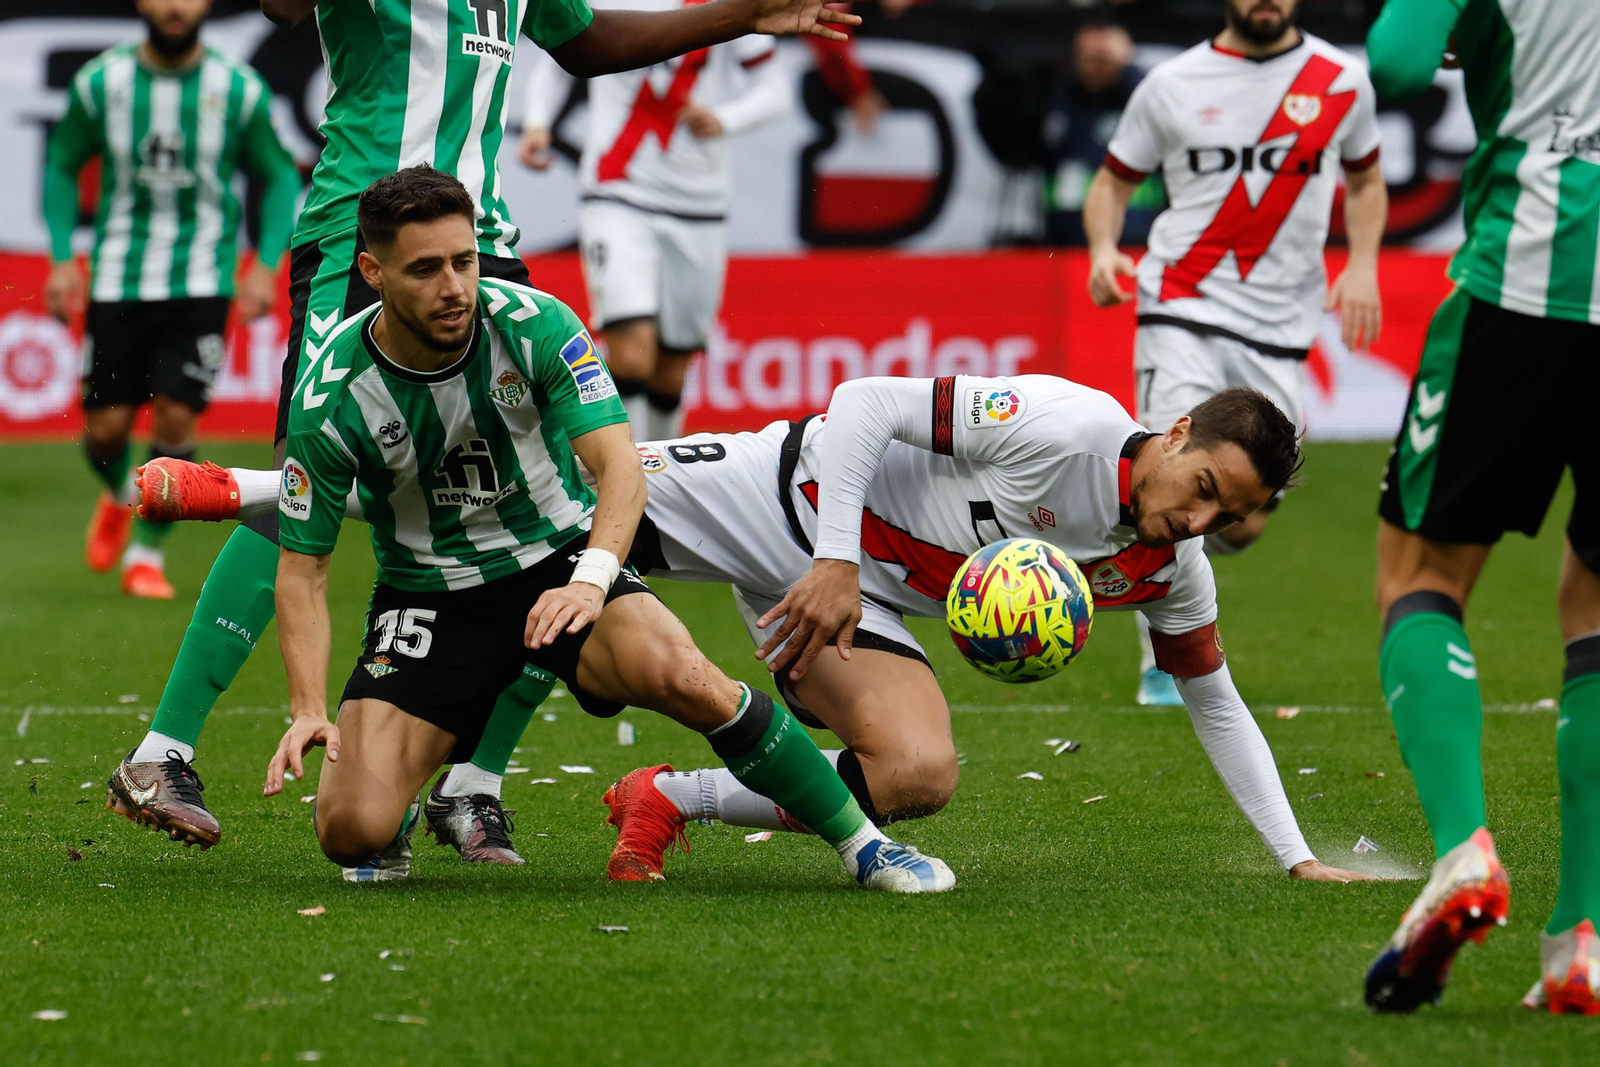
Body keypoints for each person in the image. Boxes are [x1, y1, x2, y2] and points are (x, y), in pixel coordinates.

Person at [104, 0, 867, 859]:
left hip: (478, 235)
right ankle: (161, 751)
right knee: (304, 486)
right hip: (370, 234)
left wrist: (740, 15)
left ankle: (474, 779)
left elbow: (585, 43)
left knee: (546, 502)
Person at [168, 375, 1369, 885]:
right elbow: (865, 406)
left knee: (921, 771)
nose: (1200, 512)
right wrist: (836, 552)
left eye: (1229, 510)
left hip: (865, 597)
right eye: (1201, 480)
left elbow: (1215, 697)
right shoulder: (1062, 421)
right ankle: (255, 487)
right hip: (779, 494)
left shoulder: (1170, 567)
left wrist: (1293, 852)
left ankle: (672, 796)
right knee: (537, 503)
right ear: (1166, 434)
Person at [264, 166, 953, 894]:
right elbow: (303, 570)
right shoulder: (331, 391)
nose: (455, 288)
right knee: (351, 833)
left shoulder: (536, 326)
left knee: (687, 676)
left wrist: (591, 580)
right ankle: (403, 789)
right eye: (426, 269)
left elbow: (622, 468)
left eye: (464, 261)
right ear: (372, 271)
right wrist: (308, 707)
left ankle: (866, 846)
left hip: (557, 559)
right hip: (430, 595)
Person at [1361, 0, 1600, 1016]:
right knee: (1592, 606)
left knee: (1416, 572)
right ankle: (1578, 937)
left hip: (1527, 278)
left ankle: (1463, 847)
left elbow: (1398, 63)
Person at [1082, 0, 1387, 707]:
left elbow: (1367, 180)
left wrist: (1364, 262)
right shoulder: (1172, 82)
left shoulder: (1343, 80)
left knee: (1242, 520)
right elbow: (1113, 181)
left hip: (1279, 325)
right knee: (1178, 475)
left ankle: (1113, 554)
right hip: (1179, 305)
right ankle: (1167, 656)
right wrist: (1103, 246)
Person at [43, 0, 299, 600]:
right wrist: (60, 257)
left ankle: (145, 555)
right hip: (118, 280)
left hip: (203, 280)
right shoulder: (102, 82)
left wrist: (264, 265)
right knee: (105, 432)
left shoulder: (235, 88)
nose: (175, 6)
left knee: (178, 416)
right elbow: (60, 164)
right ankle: (118, 496)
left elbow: (280, 173)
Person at [518, 0, 791, 441]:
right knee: (631, 356)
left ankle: (664, 474)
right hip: (616, 194)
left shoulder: (725, 5)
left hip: (699, 204)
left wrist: (724, 118)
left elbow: (776, 90)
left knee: (669, 370)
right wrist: (537, 123)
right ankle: (621, 471)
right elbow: (557, 60)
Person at [1041, 18, 1160, 246]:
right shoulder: (1060, 101)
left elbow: (1155, 108)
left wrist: (1127, 69)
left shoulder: (1135, 98)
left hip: (1131, 239)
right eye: (1086, 58)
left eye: (1103, 60)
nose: (1093, 67)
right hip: (1063, 240)